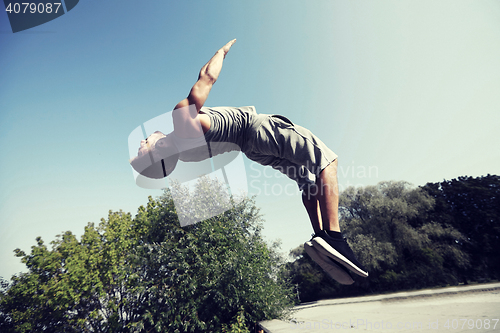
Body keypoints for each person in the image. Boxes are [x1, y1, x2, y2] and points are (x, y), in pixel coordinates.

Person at [129, 39, 368, 284]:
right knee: (326, 161)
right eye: (144, 143)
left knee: (306, 181)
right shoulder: (182, 123)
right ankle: (334, 236)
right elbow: (207, 78)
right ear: (158, 146)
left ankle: (320, 236)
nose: (143, 140)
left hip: (253, 151)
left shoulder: (186, 156)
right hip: (257, 130)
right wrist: (221, 52)